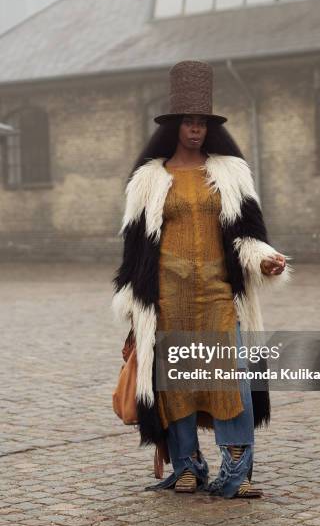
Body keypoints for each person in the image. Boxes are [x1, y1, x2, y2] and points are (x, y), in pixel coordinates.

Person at [112, 60, 292, 499]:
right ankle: (187, 465)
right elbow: (135, 251)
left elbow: (249, 234)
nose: (195, 130)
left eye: (201, 123)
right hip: (167, 295)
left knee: (229, 378)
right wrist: (137, 307)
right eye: (188, 123)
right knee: (177, 384)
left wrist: (266, 260)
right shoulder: (148, 180)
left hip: (217, 293)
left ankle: (238, 470)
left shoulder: (232, 173)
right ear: (173, 127)